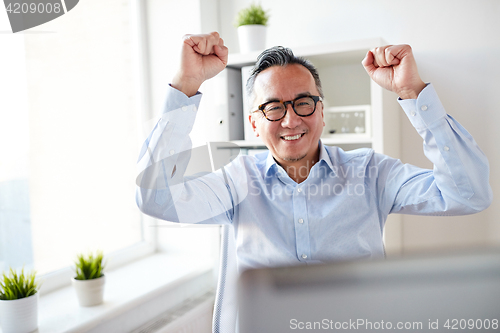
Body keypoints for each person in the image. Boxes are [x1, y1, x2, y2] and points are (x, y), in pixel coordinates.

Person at [136, 31, 492, 331]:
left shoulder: (370, 172)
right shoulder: (237, 180)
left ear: (322, 111)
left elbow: (469, 193)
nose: (291, 120)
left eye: (303, 102)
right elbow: (154, 197)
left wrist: (414, 92)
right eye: (273, 107)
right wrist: (185, 86)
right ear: (254, 123)